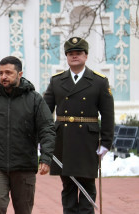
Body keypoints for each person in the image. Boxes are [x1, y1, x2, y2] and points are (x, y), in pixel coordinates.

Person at [0, 56, 55, 214]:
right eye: (1, 73)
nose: (4, 76)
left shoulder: (35, 99)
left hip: (24, 166)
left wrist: (46, 156)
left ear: (19, 73)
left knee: (23, 210)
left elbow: (47, 128)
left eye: (8, 72)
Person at [43, 37, 115, 214]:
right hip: (63, 140)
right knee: (67, 185)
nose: (74, 57)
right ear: (66, 57)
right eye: (70, 54)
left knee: (87, 185)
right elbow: (44, 113)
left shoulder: (99, 81)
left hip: (87, 142)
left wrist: (106, 142)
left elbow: (107, 114)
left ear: (86, 56)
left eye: (78, 53)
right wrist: (43, 139)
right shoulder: (56, 81)